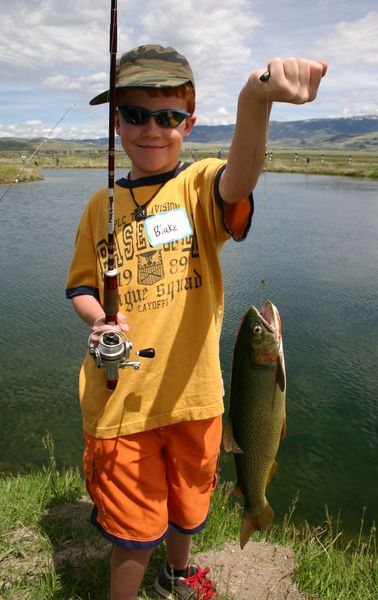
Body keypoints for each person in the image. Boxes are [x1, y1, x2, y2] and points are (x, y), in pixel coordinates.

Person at [66, 44, 327, 600]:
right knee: (133, 534)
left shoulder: (198, 187)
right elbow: (83, 287)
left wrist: (254, 100)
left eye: (168, 116)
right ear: (117, 122)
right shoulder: (98, 207)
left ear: (190, 121)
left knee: (189, 509)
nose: (152, 129)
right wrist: (99, 321)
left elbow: (241, 175)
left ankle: (178, 576)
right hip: (120, 405)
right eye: (136, 114)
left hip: (198, 401)